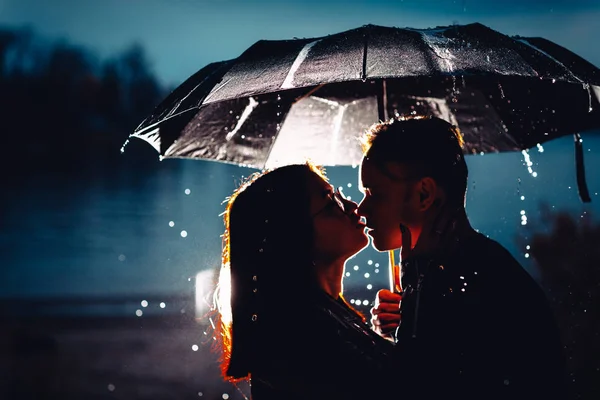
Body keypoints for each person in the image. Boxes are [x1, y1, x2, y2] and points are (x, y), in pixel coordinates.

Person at [358, 116, 568, 399]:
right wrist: (407, 318)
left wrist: (414, 317)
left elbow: (419, 384)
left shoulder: (470, 280)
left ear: (424, 194)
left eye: (375, 194)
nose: (362, 209)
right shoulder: (465, 267)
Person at [213, 162, 395, 400]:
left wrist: (386, 335)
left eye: (339, 196)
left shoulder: (324, 316)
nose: (354, 207)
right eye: (332, 204)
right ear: (291, 233)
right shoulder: (301, 337)